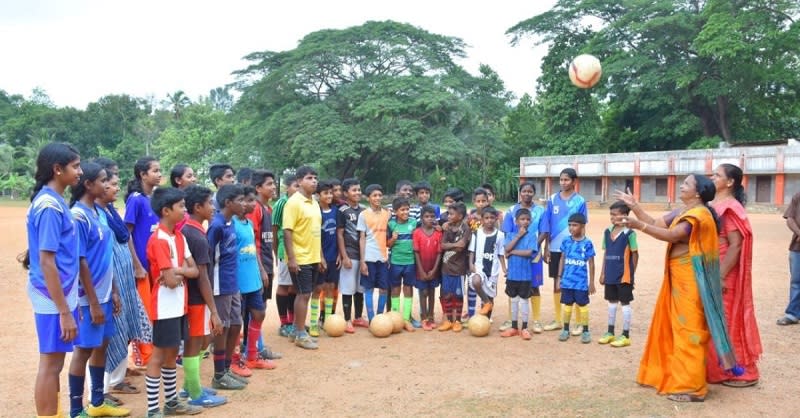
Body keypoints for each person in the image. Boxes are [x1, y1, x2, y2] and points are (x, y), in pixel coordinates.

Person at [615, 174, 740, 403]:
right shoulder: (682, 211)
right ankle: (671, 375)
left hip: (692, 281)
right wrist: (636, 208)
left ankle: (692, 387)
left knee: (689, 329)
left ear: (699, 192)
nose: (681, 186)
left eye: (686, 184)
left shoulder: (699, 214)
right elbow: (655, 224)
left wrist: (637, 225)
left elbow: (673, 235)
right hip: (677, 279)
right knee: (674, 327)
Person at [67, 163, 130, 418]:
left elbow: (106, 257)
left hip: (104, 293)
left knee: (101, 345)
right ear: (88, 184)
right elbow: (81, 261)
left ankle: (97, 402)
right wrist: (92, 302)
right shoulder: (78, 216)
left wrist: (113, 290)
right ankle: (75, 410)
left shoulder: (98, 213)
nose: (107, 185)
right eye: (103, 181)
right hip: (87, 297)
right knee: (83, 349)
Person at [24, 143, 82, 418]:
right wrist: (63, 311)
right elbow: (47, 261)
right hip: (51, 296)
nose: (80, 172)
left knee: (56, 362)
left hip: (60, 291)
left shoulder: (55, 201)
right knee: (50, 363)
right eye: (75, 166)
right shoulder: (49, 206)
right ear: (57, 170)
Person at [93, 158, 151, 406]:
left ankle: (116, 379)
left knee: (125, 326)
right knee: (109, 334)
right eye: (109, 181)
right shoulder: (94, 213)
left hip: (124, 279)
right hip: (111, 282)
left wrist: (135, 266)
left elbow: (124, 237)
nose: (115, 186)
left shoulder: (109, 210)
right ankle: (101, 390)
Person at [143, 187, 202, 417]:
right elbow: (168, 281)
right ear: (166, 211)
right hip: (164, 307)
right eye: (181, 207)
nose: (184, 210)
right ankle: (152, 409)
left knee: (170, 355)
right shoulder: (158, 240)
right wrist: (179, 272)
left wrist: (177, 271)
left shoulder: (179, 236)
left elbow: (194, 271)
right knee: (158, 356)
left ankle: (171, 402)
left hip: (179, 305)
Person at [709, 164, 762, 386]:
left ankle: (743, 372)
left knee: (727, 319)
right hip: (711, 266)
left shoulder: (730, 207)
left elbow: (735, 244)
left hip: (724, 270)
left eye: (717, 175)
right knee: (714, 319)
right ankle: (718, 368)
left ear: (730, 182)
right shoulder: (712, 204)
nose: (712, 177)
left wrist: (720, 276)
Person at [179, 185, 227, 407]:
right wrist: (214, 311)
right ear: (198, 207)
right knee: (195, 343)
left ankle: (190, 385)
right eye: (209, 203)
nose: (213, 207)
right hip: (197, 299)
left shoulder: (192, 230)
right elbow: (203, 276)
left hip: (196, 298)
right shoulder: (197, 236)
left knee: (202, 340)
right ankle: (195, 394)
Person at [207, 184, 248, 389]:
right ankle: (218, 375)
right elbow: (208, 259)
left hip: (233, 284)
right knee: (221, 329)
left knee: (235, 324)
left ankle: (226, 368)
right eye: (240, 200)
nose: (244, 204)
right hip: (219, 285)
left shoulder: (230, 222)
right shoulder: (216, 225)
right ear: (227, 203)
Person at [124, 157, 162, 369]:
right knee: (142, 313)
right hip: (142, 269)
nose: (159, 174)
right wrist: (136, 264)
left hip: (155, 266)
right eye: (154, 170)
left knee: (153, 312)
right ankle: (141, 355)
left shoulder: (154, 198)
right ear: (142, 174)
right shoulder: (136, 200)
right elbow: (126, 233)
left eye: (159, 170)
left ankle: (150, 353)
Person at [541, 168, 588, 334]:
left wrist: (580, 246)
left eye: (566, 180)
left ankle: (578, 322)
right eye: (561, 180)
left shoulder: (580, 201)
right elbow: (546, 225)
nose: (563, 183)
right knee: (557, 283)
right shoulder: (552, 199)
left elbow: (583, 225)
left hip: (573, 249)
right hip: (555, 248)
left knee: (574, 283)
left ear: (574, 181)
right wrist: (546, 246)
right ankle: (559, 320)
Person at [233, 186, 274, 368]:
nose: (250, 204)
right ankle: (234, 360)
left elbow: (254, 248)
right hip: (239, 282)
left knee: (259, 313)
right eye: (247, 201)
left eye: (251, 200)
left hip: (253, 280)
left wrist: (262, 270)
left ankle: (252, 356)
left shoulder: (248, 225)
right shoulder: (231, 225)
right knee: (236, 322)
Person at [243, 169, 281, 360]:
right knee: (255, 309)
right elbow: (251, 241)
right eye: (269, 184)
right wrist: (261, 269)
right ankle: (253, 347)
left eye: (274, 183)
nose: (273, 187)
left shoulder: (268, 209)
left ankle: (258, 345)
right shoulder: (255, 209)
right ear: (258, 188)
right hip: (259, 267)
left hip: (266, 263)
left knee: (262, 307)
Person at [283, 165, 322, 349]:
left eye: (315, 177)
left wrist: (320, 256)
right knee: (303, 294)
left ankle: (295, 331)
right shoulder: (293, 202)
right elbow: (287, 232)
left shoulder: (314, 202)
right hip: (300, 257)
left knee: (306, 293)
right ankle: (299, 333)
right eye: (309, 178)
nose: (313, 181)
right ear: (299, 181)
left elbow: (316, 232)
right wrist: (292, 258)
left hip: (313, 256)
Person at [500, 182, 546, 333]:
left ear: (534, 193)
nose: (527, 193)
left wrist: (533, 248)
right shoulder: (512, 210)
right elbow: (507, 232)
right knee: (513, 285)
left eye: (530, 191)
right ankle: (511, 320)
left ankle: (537, 320)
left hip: (533, 252)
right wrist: (510, 250)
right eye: (524, 191)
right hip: (514, 254)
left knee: (534, 285)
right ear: (520, 192)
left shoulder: (540, 210)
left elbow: (544, 231)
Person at [598, 201, 638, 348]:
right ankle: (610, 332)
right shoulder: (607, 232)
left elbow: (635, 254)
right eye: (611, 215)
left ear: (625, 216)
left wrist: (632, 273)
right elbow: (606, 252)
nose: (612, 217)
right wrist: (603, 273)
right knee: (611, 302)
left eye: (615, 215)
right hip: (610, 274)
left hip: (624, 275)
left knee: (625, 304)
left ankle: (625, 335)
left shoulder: (630, 233)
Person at [556, 213, 596, 344]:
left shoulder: (587, 243)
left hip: (581, 283)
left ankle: (585, 331)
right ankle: (566, 330)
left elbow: (591, 263)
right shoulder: (566, 241)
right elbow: (562, 258)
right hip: (567, 281)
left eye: (574, 225)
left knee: (582, 305)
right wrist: (559, 278)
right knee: (567, 304)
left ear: (582, 226)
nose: (571, 228)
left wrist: (591, 283)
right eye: (569, 225)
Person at [501, 208, 537, 340]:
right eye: (522, 219)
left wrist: (513, 252)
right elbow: (506, 249)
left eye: (527, 219)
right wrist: (518, 236)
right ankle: (514, 327)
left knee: (524, 301)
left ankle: (525, 328)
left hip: (525, 275)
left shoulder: (532, 236)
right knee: (514, 300)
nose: (525, 221)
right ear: (516, 221)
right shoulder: (510, 235)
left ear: (531, 221)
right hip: (512, 275)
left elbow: (529, 253)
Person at [337, 178, 367, 332]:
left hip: (363, 255)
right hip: (350, 254)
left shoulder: (364, 210)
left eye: (359, 190)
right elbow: (340, 234)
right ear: (345, 193)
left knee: (360, 287)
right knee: (348, 288)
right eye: (354, 190)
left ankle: (358, 317)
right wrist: (344, 256)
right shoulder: (342, 211)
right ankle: (347, 319)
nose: (358, 193)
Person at [358, 184, 392, 321]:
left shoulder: (387, 214)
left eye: (379, 195)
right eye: (374, 195)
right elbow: (361, 238)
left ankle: (379, 318)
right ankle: (372, 319)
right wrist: (362, 261)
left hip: (383, 258)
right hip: (369, 257)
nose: (378, 198)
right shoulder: (363, 215)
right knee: (369, 289)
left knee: (384, 288)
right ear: (368, 198)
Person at [272, 174, 299, 337]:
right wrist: (277, 253)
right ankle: (284, 323)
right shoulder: (281, 204)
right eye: (295, 186)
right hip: (285, 250)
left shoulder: (301, 203)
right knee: (284, 286)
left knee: (294, 287)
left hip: (299, 251)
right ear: (287, 188)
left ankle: (293, 321)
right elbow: (275, 230)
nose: (298, 189)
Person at [438, 202, 471, 332]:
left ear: (460, 215)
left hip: (459, 269)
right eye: (448, 213)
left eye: (451, 214)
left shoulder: (466, 229)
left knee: (458, 295)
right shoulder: (447, 228)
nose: (449, 216)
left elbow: (462, 245)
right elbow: (442, 245)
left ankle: (457, 320)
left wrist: (451, 244)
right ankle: (449, 321)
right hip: (446, 268)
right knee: (447, 294)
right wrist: (454, 244)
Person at [468, 207, 506, 320]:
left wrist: (504, 268)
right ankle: (486, 302)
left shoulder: (500, 235)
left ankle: (486, 319)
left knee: (490, 294)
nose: (489, 220)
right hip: (479, 267)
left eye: (492, 218)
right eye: (486, 218)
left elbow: (500, 253)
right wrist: (471, 263)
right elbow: (472, 250)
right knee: (476, 281)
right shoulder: (476, 233)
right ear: (482, 219)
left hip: (492, 269)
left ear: (496, 219)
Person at [313, 180, 340, 337]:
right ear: (318, 195)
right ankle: (313, 323)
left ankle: (328, 321)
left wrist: (339, 254)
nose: (329, 195)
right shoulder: (316, 211)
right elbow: (315, 237)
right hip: (320, 257)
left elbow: (338, 235)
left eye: (331, 193)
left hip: (333, 257)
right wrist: (320, 257)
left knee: (330, 288)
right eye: (326, 193)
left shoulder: (336, 211)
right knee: (317, 289)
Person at [388, 197, 418, 331]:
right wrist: (393, 239)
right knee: (395, 289)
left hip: (410, 262)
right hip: (395, 261)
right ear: (395, 211)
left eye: (407, 209)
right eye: (402, 210)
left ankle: (406, 319)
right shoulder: (391, 224)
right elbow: (386, 244)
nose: (405, 212)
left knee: (408, 288)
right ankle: (395, 318)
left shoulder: (414, 222)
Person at [413, 205, 443, 330]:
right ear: (421, 218)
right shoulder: (417, 233)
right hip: (421, 268)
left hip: (433, 268)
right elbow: (416, 252)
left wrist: (434, 270)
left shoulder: (438, 233)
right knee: (423, 292)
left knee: (431, 292)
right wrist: (421, 270)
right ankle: (423, 317)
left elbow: (439, 253)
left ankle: (431, 316)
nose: (429, 219)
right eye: (426, 216)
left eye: (432, 216)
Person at [779, 188, 800, 327]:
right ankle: (792, 314)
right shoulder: (798, 196)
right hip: (797, 247)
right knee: (796, 281)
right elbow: (790, 219)